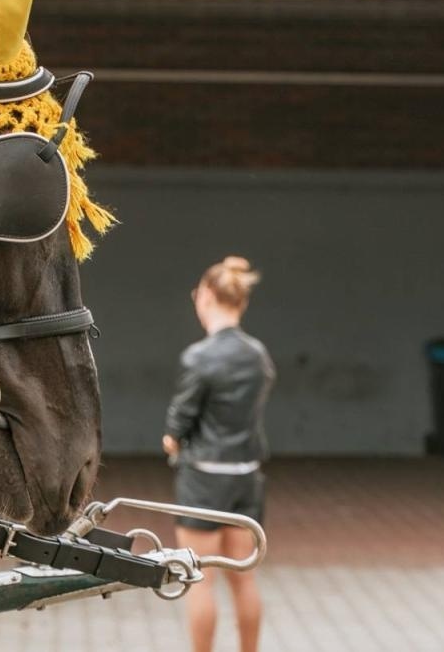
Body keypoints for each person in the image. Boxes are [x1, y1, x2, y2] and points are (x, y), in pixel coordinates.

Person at [163, 256, 275, 652]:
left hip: (204, 480)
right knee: (244, 578)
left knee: (200, 578)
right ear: (240, 302)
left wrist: (173, 439)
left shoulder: (199, 356)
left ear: (207, 296)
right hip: (247, 475)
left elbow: (181, 419)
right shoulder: (258, 356)